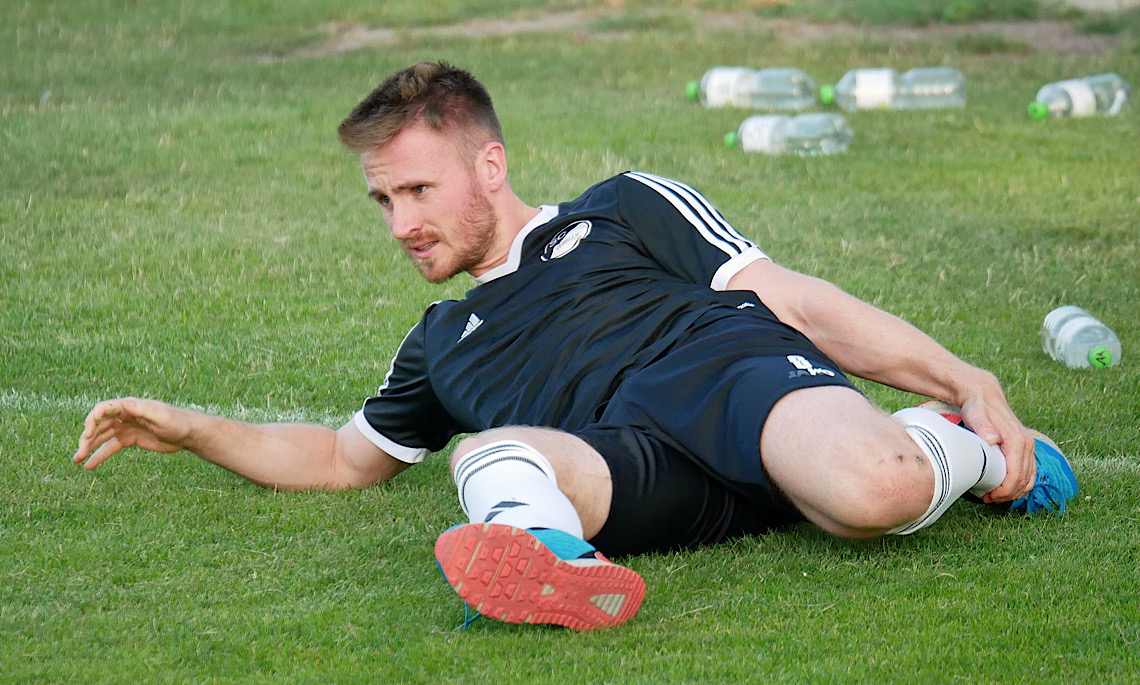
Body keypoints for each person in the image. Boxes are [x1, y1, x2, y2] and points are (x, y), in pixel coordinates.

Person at [73, 61, 1077, 632]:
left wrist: (964, 374)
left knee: (872, 492)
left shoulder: (623, 208)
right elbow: (343, 458)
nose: (398, 223)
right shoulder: (443, 340)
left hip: (730, 377)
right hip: (629, 463)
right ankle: (547, 558)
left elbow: (794, 300)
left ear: (489, 162)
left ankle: (966, 446)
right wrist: (194, 427)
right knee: (490, 453)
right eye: (382, 200)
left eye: (418, 190)